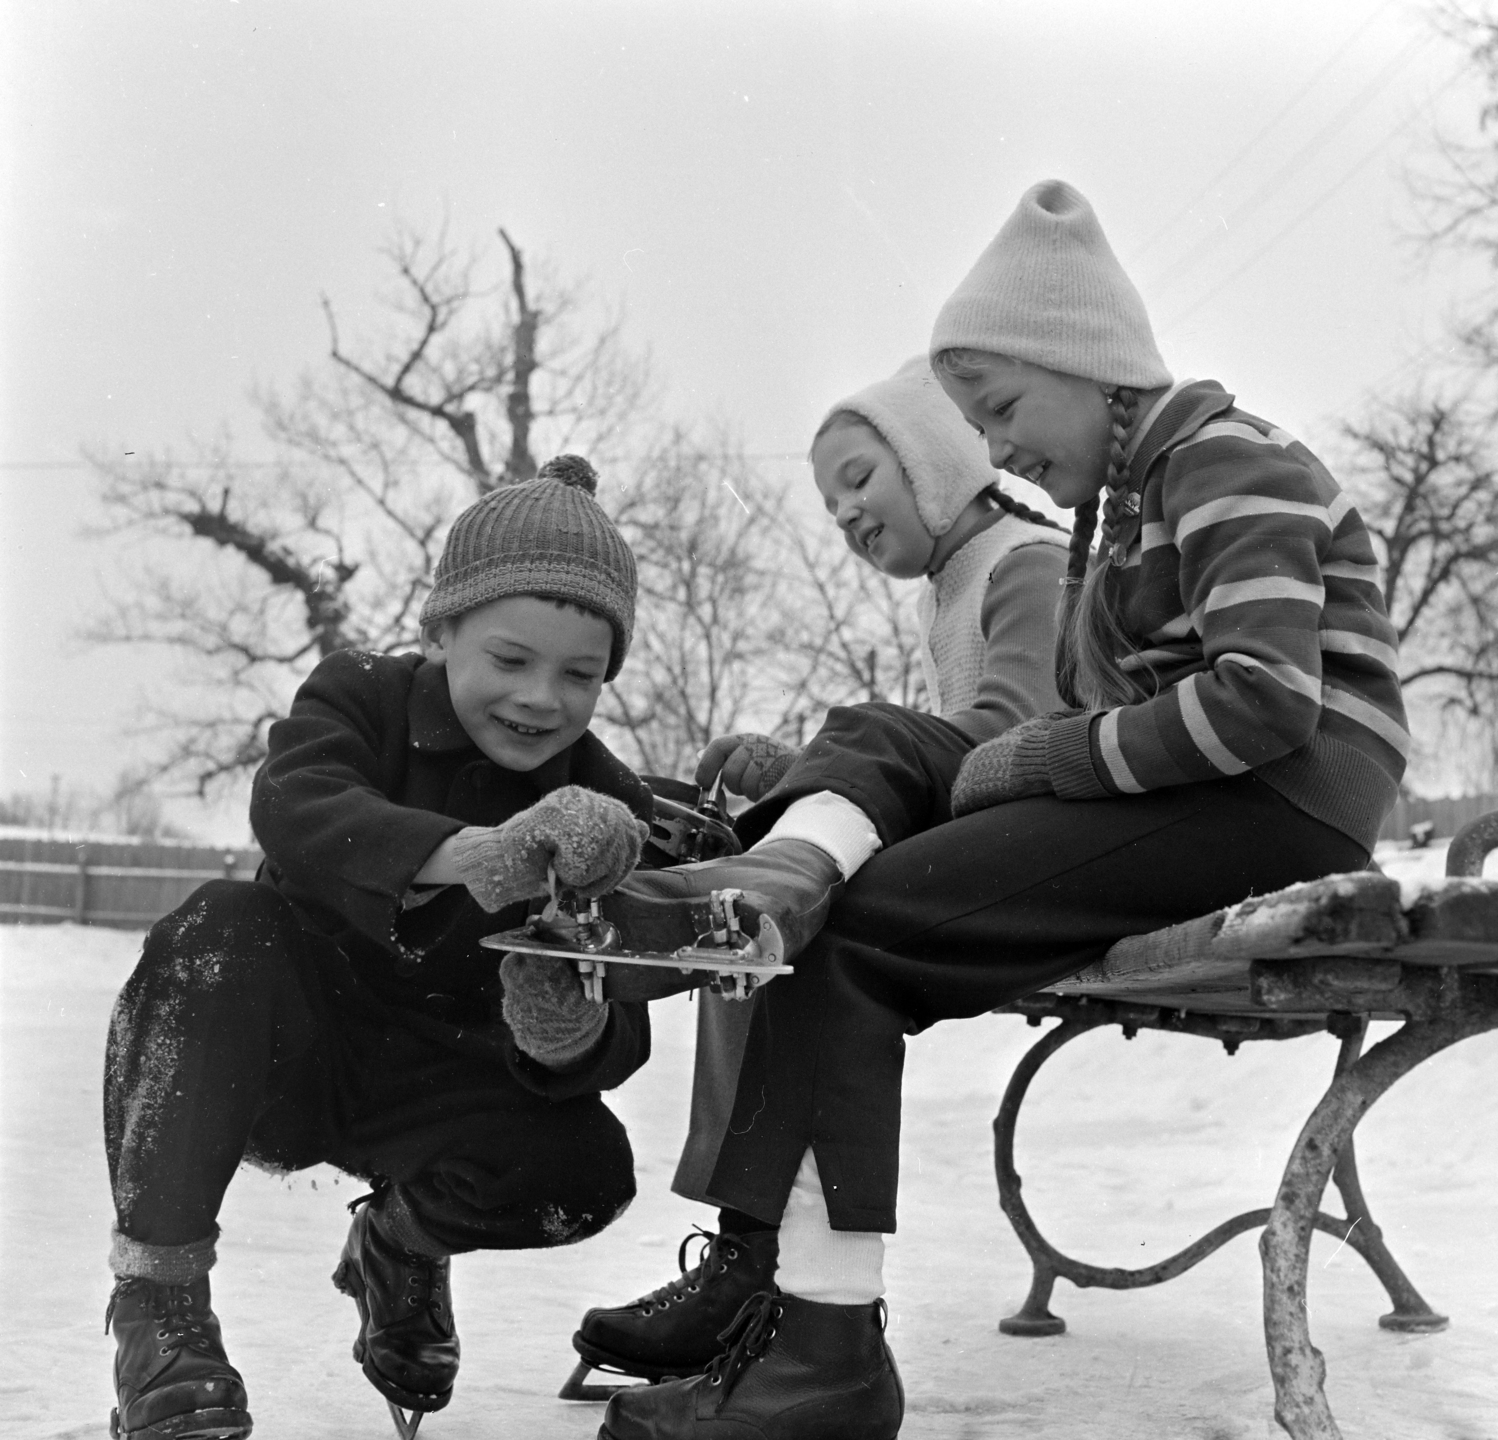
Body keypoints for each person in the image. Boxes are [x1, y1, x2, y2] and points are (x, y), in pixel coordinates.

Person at [591, 180, 1410, 1440]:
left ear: (1089, 365)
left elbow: (1264, 702)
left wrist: (1043, 762)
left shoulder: (1220, 458)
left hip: (1278, 800)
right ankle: (778, 891)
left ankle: (821, 1357)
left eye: (1006, 411)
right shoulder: (1122, 514)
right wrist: (1026, 766)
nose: (997, 448)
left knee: (854, 934)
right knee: (846, 880)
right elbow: (1100, 725)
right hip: (1216, 798)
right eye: (978, 424)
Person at [101, 456, 656, 1439]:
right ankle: (161, 1311)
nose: (542, 697)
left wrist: (573, 1030)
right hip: (293, 1048)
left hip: (444, 1085)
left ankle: (399, 1249)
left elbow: (630, 992)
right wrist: (466, 854)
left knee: (588, 1169)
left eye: (580, 675)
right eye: (510, 659)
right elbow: (297, 806)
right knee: (214, 930)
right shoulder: (360, 694)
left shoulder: (601, 805)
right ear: (440, 633)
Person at [571, 357, 1077, 1389]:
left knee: (792, 902)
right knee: (759, 911)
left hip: (1054, 853)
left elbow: (1010, 742)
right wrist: (803, 777)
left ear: (936, 462)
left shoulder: (1027, 564)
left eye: (858, 479)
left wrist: (838, 767)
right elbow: (945, 756)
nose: (845, 514)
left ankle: (756, 1269)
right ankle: (749, 1255)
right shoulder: (959, 583)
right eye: (831, 502)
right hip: (992, 843)